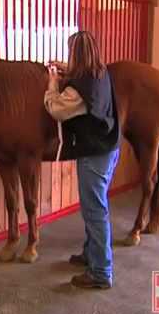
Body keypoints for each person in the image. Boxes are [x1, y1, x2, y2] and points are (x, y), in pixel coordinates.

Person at [44, 31, 121, 289]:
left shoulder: (78, 90)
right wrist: (63, 67)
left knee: (94, 212)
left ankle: (101, 272)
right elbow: (80, 74)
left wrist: (53, 82)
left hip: (94, 155)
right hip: (109, 149)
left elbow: (55, 108)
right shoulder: (101, 72)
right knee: (96, 209)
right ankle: (92, 255)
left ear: (76, 54)